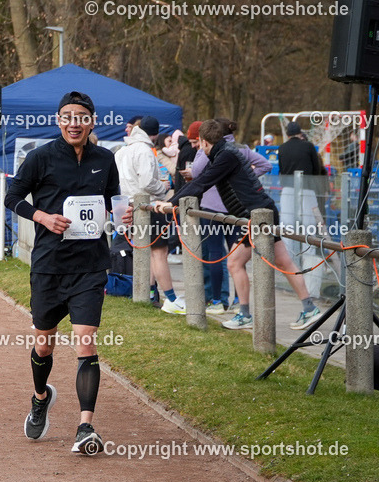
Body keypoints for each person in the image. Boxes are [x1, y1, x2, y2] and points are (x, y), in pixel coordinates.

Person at [4, 90, 119, 455]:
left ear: (92, 121)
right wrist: (41, 216)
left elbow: (111, 202)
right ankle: (41, 398)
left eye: (82, 116)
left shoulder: (105, 159)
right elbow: (12, 197)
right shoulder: (41, 157)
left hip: (90, 264)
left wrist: (121, 216)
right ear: (58, 120)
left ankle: (85, 426)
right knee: (45, 341)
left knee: (86, 341)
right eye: (68, 116)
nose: (75, 122)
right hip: (50, 266)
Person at [153, 119, 321, 331]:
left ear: (205, 142)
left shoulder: (226, 156)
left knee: (234, 263)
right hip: (263, 211)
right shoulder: (224, 153)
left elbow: (201, 183)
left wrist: (169, 203)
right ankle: (308, 307)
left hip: (256, 215)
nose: (197, 149)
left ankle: (245, 314)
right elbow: (202, 180)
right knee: (282, 261)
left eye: (198, 145)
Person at [190, 117, 272, 314]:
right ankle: (237, 300)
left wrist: (202, 148)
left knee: (217, 254)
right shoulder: (240, 148)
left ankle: (218, 300)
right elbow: (265, 165)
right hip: (236, 209)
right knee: (236, 259)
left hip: (213, 208)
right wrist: (247, 178)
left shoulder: (214, 151)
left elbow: (195, 172)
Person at [115, 115, 184, 314]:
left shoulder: (123, 150)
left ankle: (150, 293)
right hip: (149, 205)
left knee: (144, 251)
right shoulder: (144, 150)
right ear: (154, 135)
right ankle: (171, 298)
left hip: (130, 205)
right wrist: (162, 187)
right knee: (159, 253)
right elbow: (146, 182)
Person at [277, 120, 329, 298]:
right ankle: (308, 265)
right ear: (300, 132)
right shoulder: (308, 146)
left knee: (288, 229)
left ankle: (290, 268)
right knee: (309, 229)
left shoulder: (282, 148)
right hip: (307, 189)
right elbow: (316, 169)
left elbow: (282, 169)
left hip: (288, 191)